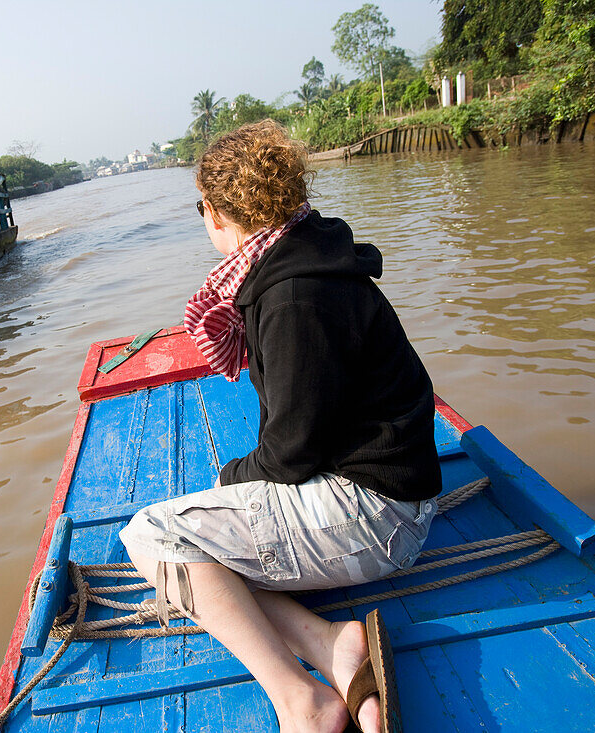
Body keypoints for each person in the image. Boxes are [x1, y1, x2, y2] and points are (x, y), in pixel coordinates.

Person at [119, 120, 442, 733]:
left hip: (379, 519)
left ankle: (301, 700)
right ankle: (328, 645)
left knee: (155, 539)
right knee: (206, 561)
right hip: (389, 497)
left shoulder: (294, 297)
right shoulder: (304, 258)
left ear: (215, 213)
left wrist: (227, 478)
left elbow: (290, 454)